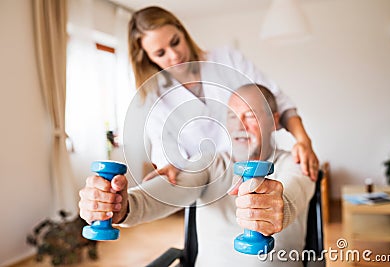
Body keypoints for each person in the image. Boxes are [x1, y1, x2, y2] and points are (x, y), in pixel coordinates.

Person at [79, 84, 315, 266]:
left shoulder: (295, 162)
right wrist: (122, 205)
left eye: (251, 115)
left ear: (274, 121)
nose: (239, 125)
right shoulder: (210, 163)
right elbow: (166, 192)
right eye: (232, 115)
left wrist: (276, 211)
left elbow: (292, 194)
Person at [127, 6, 320, 181]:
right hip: (207, 189)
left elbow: (276, 101)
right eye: (160, 53)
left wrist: (304, 140)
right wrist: (169, 170)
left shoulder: (227, 59)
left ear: (182, 32)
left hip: (257, 172)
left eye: (175, 42)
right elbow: (165, 153)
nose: (174, 55)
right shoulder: (155, 99)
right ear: (147, 58)